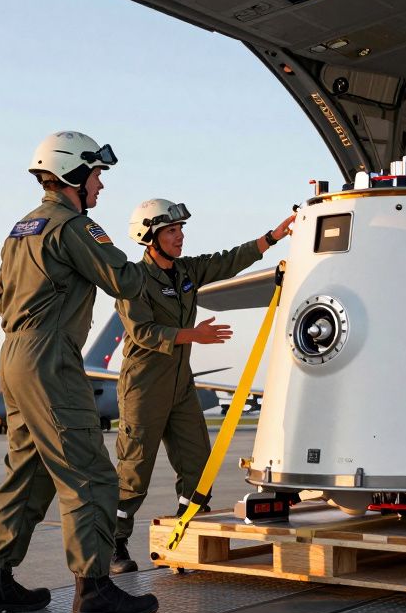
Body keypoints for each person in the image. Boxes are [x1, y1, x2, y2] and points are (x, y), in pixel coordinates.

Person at [0, 131, 159, 613]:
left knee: (28, 473)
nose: (100, 186)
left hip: (14, 353)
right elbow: (127, 280)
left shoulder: (21, 230)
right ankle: (94, 592)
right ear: (73, 174)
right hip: (51, 357)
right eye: (96, 175)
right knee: (90, 474)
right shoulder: (74, 227)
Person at [109, 199, 295, 573]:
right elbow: (142, 331)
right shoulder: (133, 279)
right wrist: (192, 334)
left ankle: (185, 530)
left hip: (181, 386)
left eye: (180, 230)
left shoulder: (186, 271)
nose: (180, 237)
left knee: (199, 466)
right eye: (171, 231)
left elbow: (228, 260)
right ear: (150, 237)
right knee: (134, 472)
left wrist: (272, 237)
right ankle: (113, 545)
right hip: (143, 388)